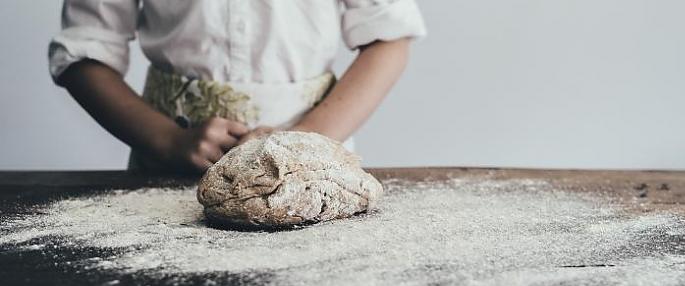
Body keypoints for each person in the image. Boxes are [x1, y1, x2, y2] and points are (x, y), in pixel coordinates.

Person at [49, 0, 426, 173]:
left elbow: (389, 38)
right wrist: (166, 140)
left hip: (313, 163)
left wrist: (303, 140)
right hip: (169, 166)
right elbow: (84, 53)